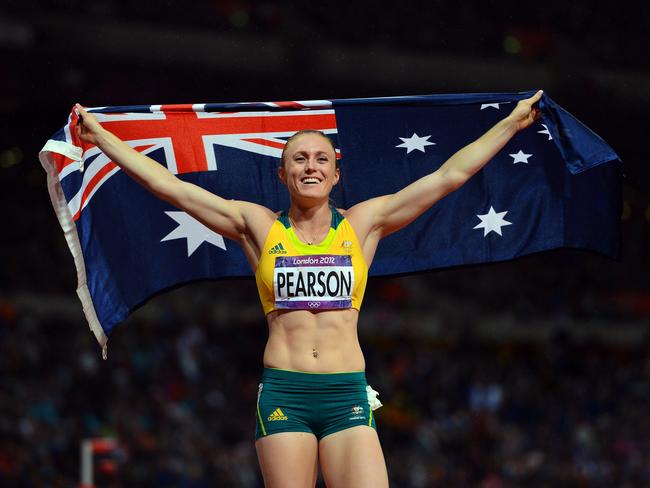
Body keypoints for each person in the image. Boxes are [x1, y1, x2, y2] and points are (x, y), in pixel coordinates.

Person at [75, 90, 543, 487]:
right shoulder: (255, 224)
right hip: (286, 394)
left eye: (322, 159)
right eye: (299, 159)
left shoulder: (364, 223)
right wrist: (102, 138)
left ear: (337, 174)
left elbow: (448, 177)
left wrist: (510, 124)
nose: (311, 166)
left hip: (347, 395)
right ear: (283, 175)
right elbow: (171, 188)